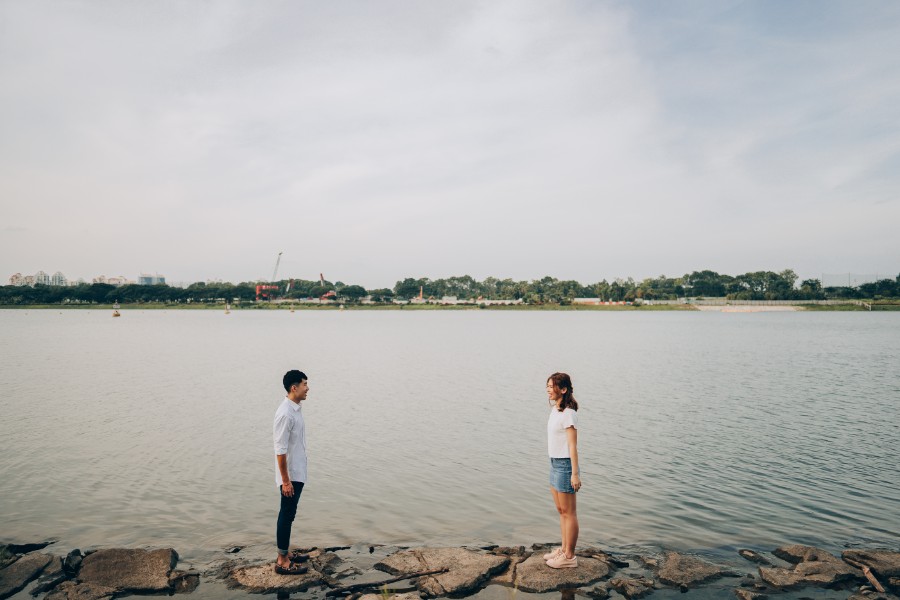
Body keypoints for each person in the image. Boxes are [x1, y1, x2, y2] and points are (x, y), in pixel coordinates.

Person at [273, 370, 312, 575]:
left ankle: (286, 554)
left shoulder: (295, 409)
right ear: (294, 388)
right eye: (305, 384)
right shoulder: (285, 413)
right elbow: (280, 451)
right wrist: (286, 481)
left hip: (297, 471)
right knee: (286, 514)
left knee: (290, 513)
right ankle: (281, 561)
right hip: (290, 475)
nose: (308, 388)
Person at [543, 372, 581, 569]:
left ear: (563, 389)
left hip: (565, 465)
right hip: (554, 463)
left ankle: (570, 556)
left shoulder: (569, 414)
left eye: (552, 386)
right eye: (547, 386)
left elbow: (572, 446)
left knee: (569, 512)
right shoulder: (555, 411)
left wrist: (575, 473)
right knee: (561, 511)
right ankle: (564, 549)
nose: (548, 389)